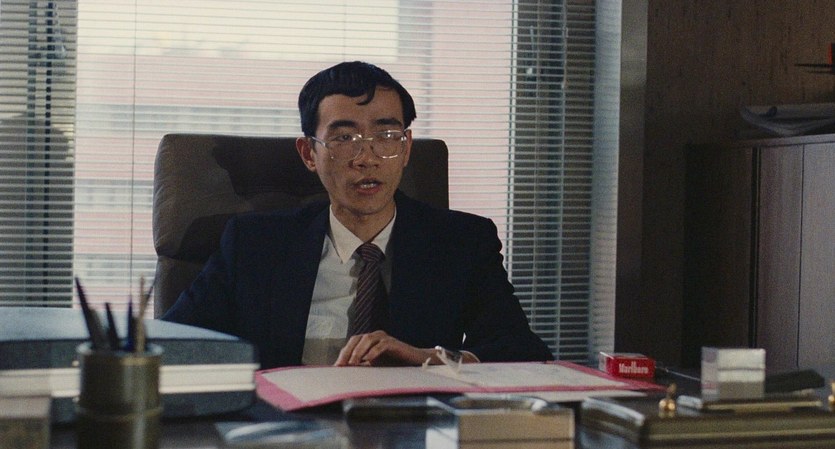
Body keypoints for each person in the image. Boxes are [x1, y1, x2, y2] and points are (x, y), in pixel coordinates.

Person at [162, 61, 553, 369]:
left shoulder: (460, 242)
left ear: (406, 148)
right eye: (344, 138)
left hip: (414, 427)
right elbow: (172, 346)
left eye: (386, 136)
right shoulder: (255, 244)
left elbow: (523, 352)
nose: (367, 158)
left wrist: (429, 358)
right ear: (309, 153)